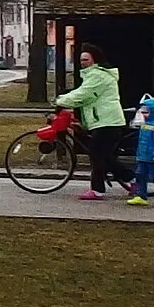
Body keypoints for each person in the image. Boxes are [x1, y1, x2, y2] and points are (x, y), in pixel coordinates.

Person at [55, 43, 126, 201]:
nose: (83, 62)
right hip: (104, 121)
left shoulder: (98, 75)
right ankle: (131, 180)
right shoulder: (93, 75)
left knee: (96, 154)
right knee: (103, 156)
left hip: (107, 121)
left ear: (95, 60)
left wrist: (60, 101)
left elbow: (84, 94)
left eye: (86, 59)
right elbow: (82, 93)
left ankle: (98, 189)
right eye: (81, 60)